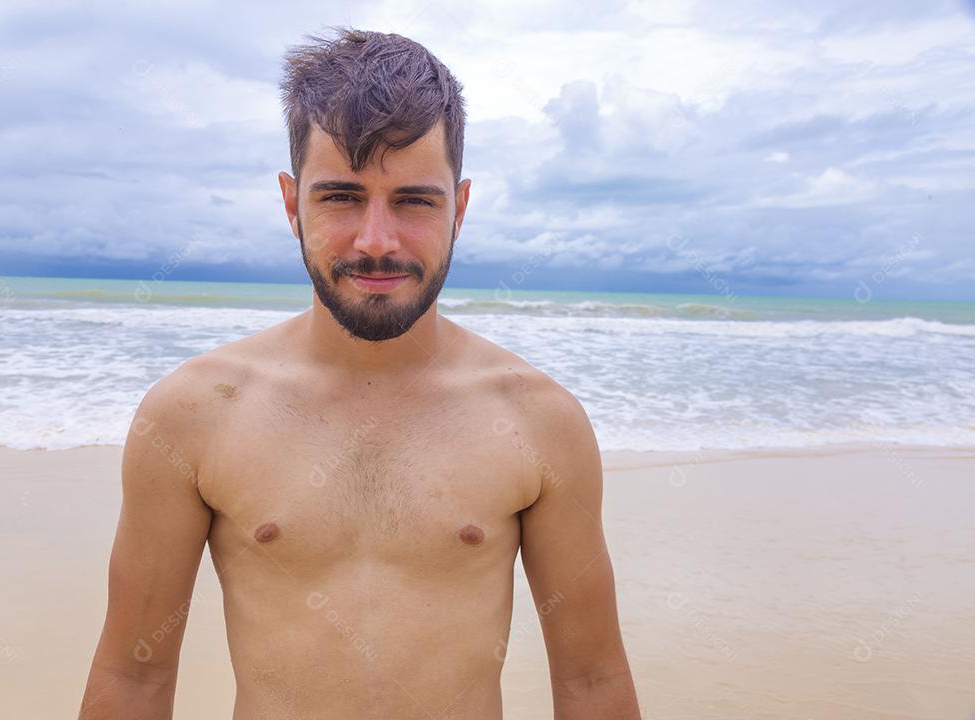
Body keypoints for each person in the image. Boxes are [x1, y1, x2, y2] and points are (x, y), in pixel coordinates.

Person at [79, 26, 640, 720]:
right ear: (292, 205)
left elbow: (590, 681)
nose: (377, 240)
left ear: (459, 209)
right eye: (341, 197)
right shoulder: (194, 414)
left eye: (414, 200)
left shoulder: (538, 421)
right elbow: (133, 677)